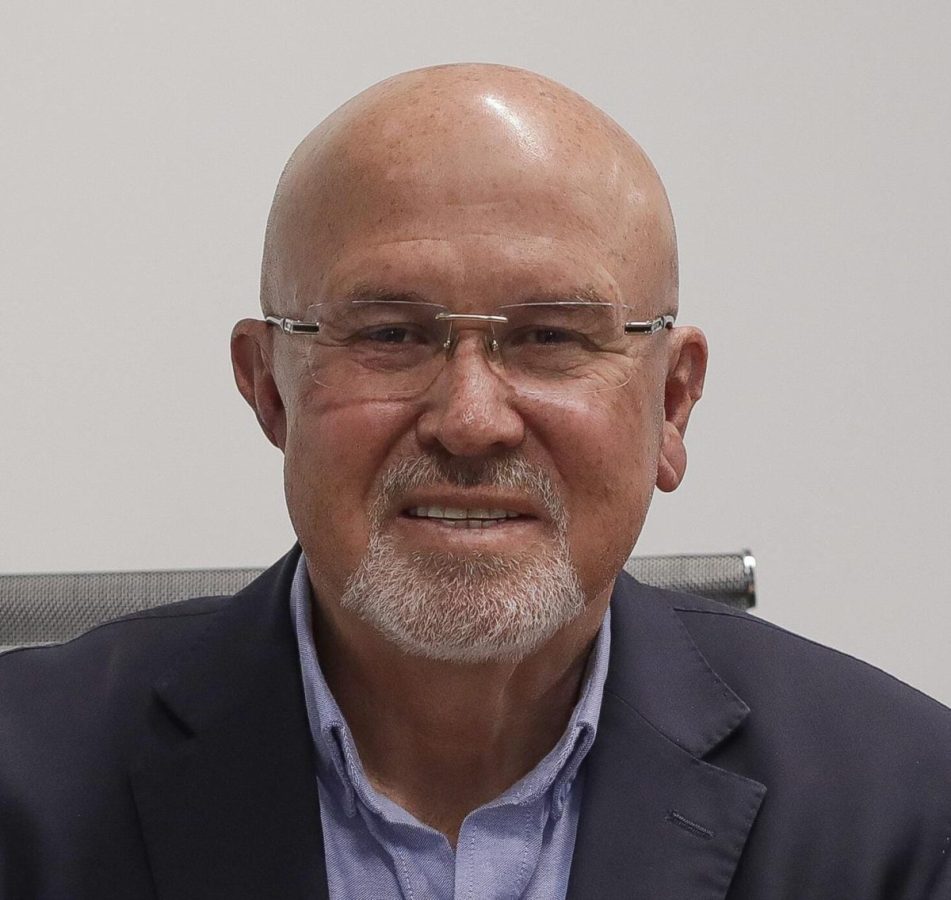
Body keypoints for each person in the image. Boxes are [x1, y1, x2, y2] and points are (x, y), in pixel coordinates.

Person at [1, 64, 949, 900]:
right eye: (389, 334)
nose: (469, 418)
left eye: (549, 337)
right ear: (268, 389)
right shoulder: (24, 791)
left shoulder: (901, 809)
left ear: (671, 404)